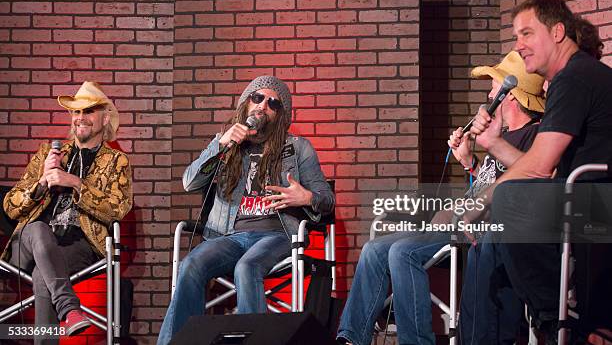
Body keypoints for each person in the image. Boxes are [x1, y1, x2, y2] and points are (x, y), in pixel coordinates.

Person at [336, 51, 545, 345]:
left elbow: (526, 180)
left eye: (494, 87)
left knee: (402, 252)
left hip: (482, 232)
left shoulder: (533, 136)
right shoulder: (501, 135)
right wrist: (470, 162)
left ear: (510, 95)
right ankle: (351, 338)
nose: (489, 93)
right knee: (374, 249)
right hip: (455, 223)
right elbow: (486, 182)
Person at [468, 0, 612, 336]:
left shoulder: (575, 77)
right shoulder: (578, 76)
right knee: (499, 229)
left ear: (558, 31)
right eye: (517, 36)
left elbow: (539, 166)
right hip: (585, 200)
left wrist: (479, 203)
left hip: (595, 205)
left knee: (511, 200)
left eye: (527, 34)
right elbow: (539, 163)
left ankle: (559, 317)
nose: (519, 45)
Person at [158, 75, 335, 344]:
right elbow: (189, 182)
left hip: (277, 236)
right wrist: (221, 145)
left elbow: (327, 199)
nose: (263, 106)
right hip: (229, 235)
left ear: (280, 115)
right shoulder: (226, 142)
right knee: (191, 264)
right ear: (245, 103)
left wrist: (306, 197)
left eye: (273, 103)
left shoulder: (298, 148)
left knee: (247, 267)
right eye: (257, 98)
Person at [3, 81, 133, 343]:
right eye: (76, 112)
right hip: (27, 244)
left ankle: (58, 323)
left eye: (88, 112)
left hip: (78, 245)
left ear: (105, 117)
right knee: (39, 229)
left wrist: (75, 182)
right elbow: (10, 205)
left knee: (44, 274)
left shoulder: (117, 161)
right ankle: (70, 309)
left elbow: (117, 210)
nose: (80, 118)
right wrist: (42, 180)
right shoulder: (48, 153)